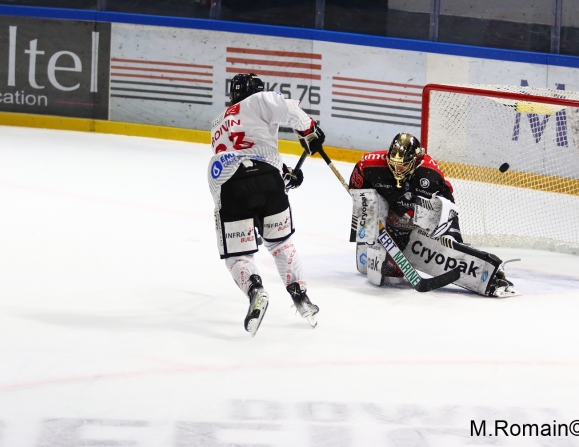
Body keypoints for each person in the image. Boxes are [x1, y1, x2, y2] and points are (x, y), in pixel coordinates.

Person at [207, 73, 326, 336]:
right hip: (269, 182)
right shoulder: (258, 100)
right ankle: (301, 298)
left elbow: (244, 153)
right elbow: (290, 109)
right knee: (281, 243)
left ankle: (255, 290)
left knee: (238, 256)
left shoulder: (217, 124)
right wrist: (310, 131)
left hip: (230, 187)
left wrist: (287, 172)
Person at [348, 133, 517, 297]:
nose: (397, 170)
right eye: (393, 164)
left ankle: (488, 273)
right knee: (387, 274)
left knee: (432, 211)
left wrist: (452, 235)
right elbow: (357, 185)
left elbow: (448, 206)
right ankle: (377, 243)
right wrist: (368, 212)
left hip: (416, 224)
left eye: (403, 166)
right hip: (386, 222)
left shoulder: (430, 174)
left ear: (415, 161)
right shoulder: (370, 165)